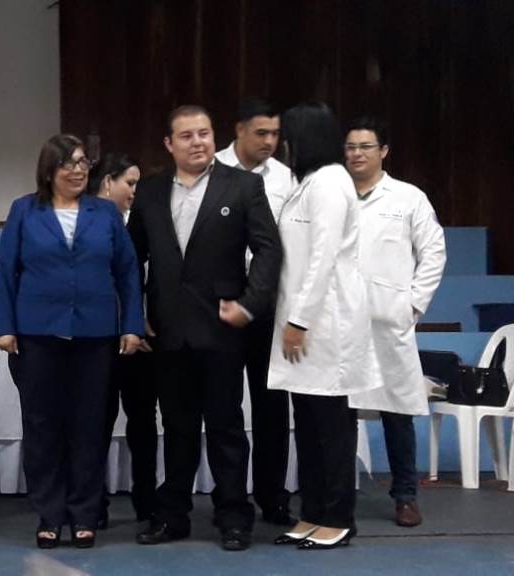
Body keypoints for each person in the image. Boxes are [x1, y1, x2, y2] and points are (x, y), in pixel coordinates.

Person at [128, 106, 282, 551]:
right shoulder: (152, 192)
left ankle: (233, 516)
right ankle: (172, 515)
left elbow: (268, 252)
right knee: (175, 427)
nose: (198, 142)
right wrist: (135, 315)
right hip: (167, 330)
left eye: (204, 133)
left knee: (226, 427)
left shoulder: (244, 185)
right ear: (169, 144)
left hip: (222, 329)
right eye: (187, 135)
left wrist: (250, 306)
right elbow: (131, 258)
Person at [0, 135, 143, 549]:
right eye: (67, 164)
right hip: (37, 335)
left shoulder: (105, 213)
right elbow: (5, 271)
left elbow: (128, 272)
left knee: (90, 426)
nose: (77, 171)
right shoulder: (24, 210)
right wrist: (3, 326)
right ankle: (50, 513)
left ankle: (84, 512)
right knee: (42, 426)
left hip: (95, 336)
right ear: (48, 170)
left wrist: (132, 323)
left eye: (82, 163)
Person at [267, 101, 378, 550]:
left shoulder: (331, 183)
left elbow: (322, 257)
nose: (280, 147)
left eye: (285, 137)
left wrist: (299, 320)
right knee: (308, 425)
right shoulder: (308, 183)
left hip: (324, 324)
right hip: (303, 324)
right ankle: (313, 510)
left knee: (331, 425)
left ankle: (338, 516)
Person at [345, 116, 446, 528]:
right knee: (339, 413)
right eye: (350, 147)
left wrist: (412, 306)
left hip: (390, 323)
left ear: (383, 151)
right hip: (342, 324)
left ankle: (405, 495)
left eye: (365, 146)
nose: (356, 154)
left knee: (396, 412)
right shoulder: (334, 197)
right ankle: (337, 495)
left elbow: (433, 252)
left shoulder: (408, 198)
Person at [214, 99, 296, 525]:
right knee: (223, 406)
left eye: (275, 134)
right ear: (239, 130)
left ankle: (273, 496)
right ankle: (228, 498)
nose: (269, 142)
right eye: (261, 133)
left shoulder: (286, 179)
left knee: (271, 407)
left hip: (268, 302)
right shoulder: (211, 170)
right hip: (221, 302)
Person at [88, 153, 158, 527]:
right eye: (129, 183)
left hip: (139, 340)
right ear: (107, 182)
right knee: (96, 421)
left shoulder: (141, 221)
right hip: (98, 338)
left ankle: (146, 501)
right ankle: (92, 503)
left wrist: (140, 321)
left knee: (143, 422)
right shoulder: (85, 221)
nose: (134, 191)